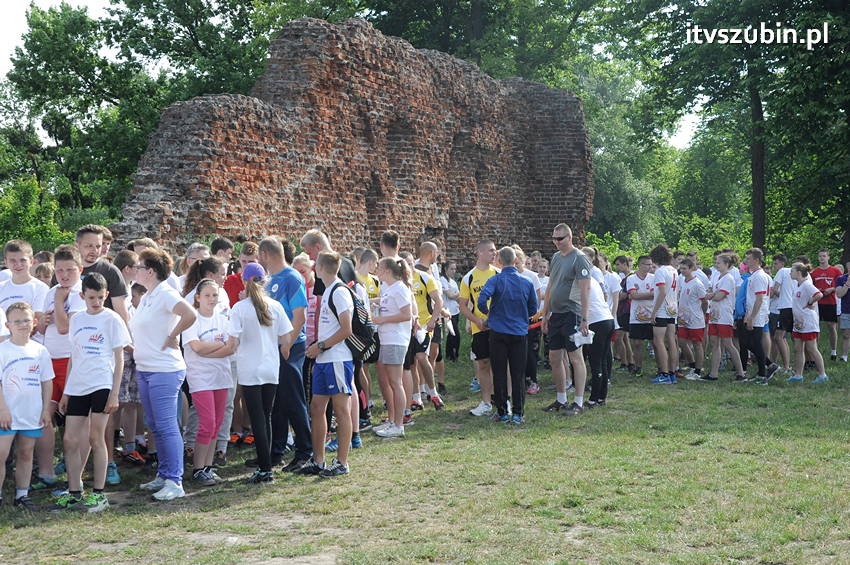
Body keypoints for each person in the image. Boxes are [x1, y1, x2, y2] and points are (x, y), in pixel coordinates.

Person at [53, 273, 130, 513]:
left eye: (99, 297)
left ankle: (99, 494)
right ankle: (75, 492)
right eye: (90, 297)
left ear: (106, 295)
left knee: (96, 438)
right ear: (82, 296)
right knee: (69, 439)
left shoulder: (112, 319)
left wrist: (115, 393)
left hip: (101, 384)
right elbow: (74, 356)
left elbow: (120, 359)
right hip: (77, 385)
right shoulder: (76, 320)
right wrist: (66, 391)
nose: (95, 302)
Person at [130, 247, 196, 501]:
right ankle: (164, 473)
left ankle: (175, 481)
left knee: (167, 425)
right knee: (155, 425)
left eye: (138, 266)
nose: (134, 270)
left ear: (150, 271)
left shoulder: (166, 293)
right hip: (146, 368)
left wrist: (172, 336)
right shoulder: (148, 296)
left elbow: (189, 314)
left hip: (165, 370)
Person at [227, 263, 294, 483]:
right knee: (266, 416)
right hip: (270, 367)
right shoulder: (275, 305)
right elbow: (286, 339)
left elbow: (233, 342)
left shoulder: (239, 308)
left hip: (250, 368)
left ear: (245, 281)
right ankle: (268, 463)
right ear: (265, 281)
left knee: (258, 419)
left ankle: (265, 469)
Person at [257, 237, 312, 472]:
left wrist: (287, 342)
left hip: (290, 346)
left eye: (260, 256)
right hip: (272, 346)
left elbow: (299, 315)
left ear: (265, 254)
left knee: (293, 399)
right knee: (277, 401)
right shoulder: (269, 280)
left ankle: (305, 450)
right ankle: (276, 451)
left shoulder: (291, 277)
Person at [0, 240, 51, 489]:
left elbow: (38, 322)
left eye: (23, 260)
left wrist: (18, 337)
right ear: (6, 262)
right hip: (6, 357)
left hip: (31, 356)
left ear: (31, 261)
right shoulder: (1, 287)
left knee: (27, 438)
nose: (18, 265)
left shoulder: (39, 288)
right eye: (13, 260)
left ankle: (29, 482)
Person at [34, 245, 86, 491]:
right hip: (48, 358)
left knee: (76, 419)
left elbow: (65, 327)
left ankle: (77, 473)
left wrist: (57, 306)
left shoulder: (80, 292)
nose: (64, 275)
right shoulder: (52, 290)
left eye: (70, 270)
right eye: (60, 270)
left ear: (80, 269)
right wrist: (45, 320)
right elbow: (43, 327)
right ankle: (46, 471)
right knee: (45, 415)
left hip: (71, 359)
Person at [301, 251, 355, 476]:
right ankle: (319, 460)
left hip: (337, 359)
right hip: (324, 359)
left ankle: (342, 463)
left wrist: (320, 346)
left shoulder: (340, 291)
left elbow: (346, 329)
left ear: (320, 268)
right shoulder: (329, 289)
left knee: (341, 410)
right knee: (317, 407)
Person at [182, 279, 234, 486]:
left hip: (221, 376)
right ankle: (197, 468)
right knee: (207, 422)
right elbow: (196, 348)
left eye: (215, 295)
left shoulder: (222, 319)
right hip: (200, 377)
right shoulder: (192, 320)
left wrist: (211, 348)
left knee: (217, 423)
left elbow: (231, 347)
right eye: (207, 295)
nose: (211, 299)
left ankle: (208, 466)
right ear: (197, 298)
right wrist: (219, 346)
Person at [478, 247, 538, 423]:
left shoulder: (495, 280)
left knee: (499, 372)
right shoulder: (527, 282)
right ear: (516, 261)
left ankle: (503, 412)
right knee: (518, 374)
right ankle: (518, 414)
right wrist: (522, 316)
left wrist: (488, 314)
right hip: (519, 332)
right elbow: (533, 308)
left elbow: (482, 300)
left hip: (498, 331)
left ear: (499, 262)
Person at [0, 302, 51, 511]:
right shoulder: (3, 350)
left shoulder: (40, 350)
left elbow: (46, 381)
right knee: (1, 454)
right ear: (7, 325)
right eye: (17, 321)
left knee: (26, 453)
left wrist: (46, 408)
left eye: (26, 320)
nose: (22, 324)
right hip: (7, 414)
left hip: (31, 412)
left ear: (34, 323)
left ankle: (22, 494)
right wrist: (2, 409)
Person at [541, 224, 591, 415]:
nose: (556, 242)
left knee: (575, 357)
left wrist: (584, 318)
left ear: (569, 237)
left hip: (572, 313)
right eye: (554, 238)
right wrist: (545, 313)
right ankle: (561, 398)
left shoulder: (579, 259)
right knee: (554, 356)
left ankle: (578, 401)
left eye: (560, 238)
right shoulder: (555, 257)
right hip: (556, 314)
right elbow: (551, 285)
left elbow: (585, 289)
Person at [372, 257, 414, 438]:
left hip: (396, 339)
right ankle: (393, 422)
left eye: (379, 268)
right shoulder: (390, 289)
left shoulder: (399, 288)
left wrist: (382, 319)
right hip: (388, 339)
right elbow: (387, 305)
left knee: (396, 383)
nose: (376, 270)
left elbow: (407, 315)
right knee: (392, 382)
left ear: (387, 271)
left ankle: (398, 424)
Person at [459, 240, 499, 416]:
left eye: (495, 251)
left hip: (499, 326)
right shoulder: (469, 278)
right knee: (483, 363)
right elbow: (463, 306)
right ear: (480, 253)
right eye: (491, 250)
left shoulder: (498, 273)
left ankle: (504, 399)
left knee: (501, 364)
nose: (494, 253)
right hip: (480, 328)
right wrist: (476, 321)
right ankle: (486, 402)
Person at [704, 254, 746, 382]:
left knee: (728, 344)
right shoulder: (717, 277)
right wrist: (712, 294)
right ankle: (713, 373)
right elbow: (712, 291)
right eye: (716, 262)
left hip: (724, 315)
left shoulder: (729, 278)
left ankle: (741, 373)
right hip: (715, 315)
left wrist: (710, 295)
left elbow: (719, 296)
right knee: (715, 343)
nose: (716, 265)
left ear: (727, 264)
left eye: (719, 263)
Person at [742, 248, 779, 385]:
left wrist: (752, 317)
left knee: (754, 343)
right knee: (749, 343)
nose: (746, 261)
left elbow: (759, 299)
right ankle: (769, 366)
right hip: (753, 313)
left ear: (756, 260)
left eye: (749, 258)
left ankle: (763, 375)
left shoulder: (759, 276)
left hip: (758, 314)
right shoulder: (754, 275)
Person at [787, 262, 829, 383]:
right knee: (798, 348)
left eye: (792, 271)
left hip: (808, 322)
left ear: (799, 272)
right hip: (799, 322)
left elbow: (818, 294)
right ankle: (798, 375)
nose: (790, 273)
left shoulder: (806, 284)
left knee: (811, 348)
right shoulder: (798, 285)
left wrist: (810, 302)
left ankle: (822, 375)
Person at [512, 245, 543, 395]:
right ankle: (519, 379)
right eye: (514, 262)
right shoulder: (508, 276)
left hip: (529, 320)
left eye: (518, 262)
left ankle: (533, 380)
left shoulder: (531, 276)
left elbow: (537, 298)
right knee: (516, 351)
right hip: (513, 319)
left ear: (523, 261)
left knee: (530, 351)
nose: (516, 265)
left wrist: (529, 314)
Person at [649, 244, 679, 384]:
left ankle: (664, 373)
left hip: (662, 309)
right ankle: (672, 372)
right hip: (672, 308)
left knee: (658, 341)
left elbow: (661, 291)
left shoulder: (660, 271)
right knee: (671, 340)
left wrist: (654, 311)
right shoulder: (673, 270)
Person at [676, 259, 707, 380]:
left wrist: (702, 314)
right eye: (681, 268)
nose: (682, 271)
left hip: (695, 318)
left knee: (697, 344)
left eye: (685, 268)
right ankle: (692, 364)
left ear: (691, 268)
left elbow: (704, 301)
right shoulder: (682, 281)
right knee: (682, 342)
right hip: (683, 317)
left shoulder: (697, 283)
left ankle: (698, 371)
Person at [625, 256, 654, 378]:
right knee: (637, 343)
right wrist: (641, 295)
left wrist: (638, 295)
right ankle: (638, 367)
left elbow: (653, 295)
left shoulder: (653, 278)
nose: (650, 267)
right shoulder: (631, 278)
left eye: (651, 264)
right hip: (636, 317)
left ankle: (661, 368)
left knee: (655, 343)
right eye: (647, 264)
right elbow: (633, 295)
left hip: (651, 315)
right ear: (640, 265)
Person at [811, 250, 842, 360]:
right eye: (820, 256)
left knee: (831, 326)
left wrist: (832, 289)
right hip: (817, 303)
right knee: (816, 327)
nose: (822, 258)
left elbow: (841, 285)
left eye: (824, 256)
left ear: (828, 257)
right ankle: (815, 351)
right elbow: (810, 286)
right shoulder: (814, 272)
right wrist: (817, 290)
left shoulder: (835, 271)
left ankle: (833, 352)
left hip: (830, 302)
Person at [770, 254, 794, 375]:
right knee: (782, 338)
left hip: (784, 308)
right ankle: (786, 365)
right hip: (792, 307)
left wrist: (768, 296)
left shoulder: (782, 271)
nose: (774, 266)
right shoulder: (793, 272)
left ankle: (786, 367)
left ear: (782, 263)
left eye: (775, 263)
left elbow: (774, 289)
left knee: (778, 337)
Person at [440, 261, 461, 369]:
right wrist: (460, 293)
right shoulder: (442, 280)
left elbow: (456, 297)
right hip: (448, 311)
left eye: (455, 269)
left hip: (455, 310)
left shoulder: (453, 282)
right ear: (446, 269)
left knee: (451, 334)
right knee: (455, 334)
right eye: (451, 269)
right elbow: (450, 295)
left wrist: (458, 297)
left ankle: (449, 355)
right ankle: (454, 355)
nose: (453, 271)